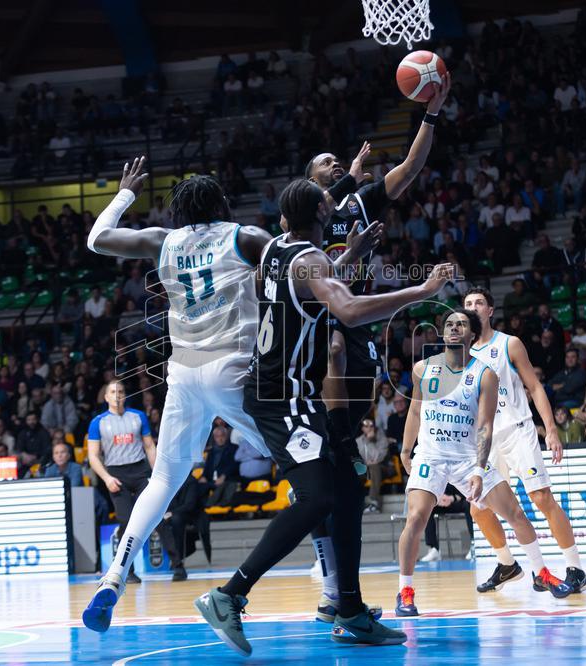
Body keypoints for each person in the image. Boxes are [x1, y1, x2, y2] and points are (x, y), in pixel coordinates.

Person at [83, 165, 374, 633]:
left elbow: (98, 239)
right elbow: (297, 273)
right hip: (236, 372)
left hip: (182, 374)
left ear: (180, 211)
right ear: (220, 205)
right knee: (311, 470)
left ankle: (114, 575)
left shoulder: (163, 240)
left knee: (164, 481)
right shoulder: (244, 237)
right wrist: (345, 244)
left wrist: (122, 195)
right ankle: (332, 592)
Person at [194, 179, 452, 655]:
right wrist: (422, 289)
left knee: (348, 494)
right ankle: (228, 595)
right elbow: (348, 310)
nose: (336, 203)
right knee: (317, 499)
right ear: (318, 209)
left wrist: (349, 255)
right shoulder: (310, 260)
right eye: (330, 200)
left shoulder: (276, 249)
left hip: (289, 394)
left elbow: (309, 279)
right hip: (282, 399)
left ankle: (350, 609)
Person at [303, 74, 449, 621]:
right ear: (309, 181)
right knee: (334, 374)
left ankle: (334, 581)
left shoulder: (361, 201)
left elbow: (411, 167)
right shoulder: (303, 217)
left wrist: (432, 112)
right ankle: (332, 570)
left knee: (344, 452)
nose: (335, 164)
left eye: (338, 162)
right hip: (318, 327)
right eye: (325, 162)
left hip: (359, 323)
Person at [395, 310, 572, 617]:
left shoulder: (485, 374)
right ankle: (405, 592)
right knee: (416, 517)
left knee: (515, 512)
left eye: (460, 324)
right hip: (431, 456)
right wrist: (406, 450)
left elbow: (485, 426)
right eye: (449, 324)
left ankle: (540, 573)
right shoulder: (423, 368)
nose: (453, 328)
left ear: (471, 334)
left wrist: (478, 469)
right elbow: (414, 412)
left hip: (467, 457)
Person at [464, 287, 586, 594]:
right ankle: (507, 564)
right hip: (486, 441)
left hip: (518, 430)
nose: (473, 307)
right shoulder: (460, 353)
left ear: (490, 310)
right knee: (478, 509)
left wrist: (552, 429)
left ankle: (576, 570)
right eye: (468, 303)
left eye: (479, 302)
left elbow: (534, 386)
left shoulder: (510, 343)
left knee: (542, 499)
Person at [87, 381, 157, 584]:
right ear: (106, 397)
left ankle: (178, 567)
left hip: (140, 469)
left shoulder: (138, 416)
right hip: (116, 473)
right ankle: (128, 570)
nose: (117, 395)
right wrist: (107, 478)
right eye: (112, 392)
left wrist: (157, 475)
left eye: (120, 391)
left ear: (125, 395)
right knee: (126, 522)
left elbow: (150, 447)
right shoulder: (98, 422)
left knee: (157, 516)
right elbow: (93, 456)